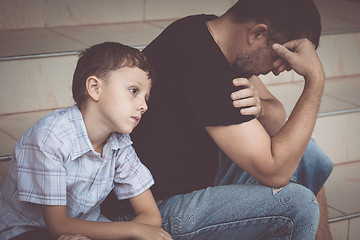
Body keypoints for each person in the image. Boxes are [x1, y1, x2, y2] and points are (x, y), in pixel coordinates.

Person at [101, 0, 335, 239]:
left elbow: (277, 117)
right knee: (296, 206)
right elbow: (275, 171)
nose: (278, 70)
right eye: (280, 59)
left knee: (306, 153)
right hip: (151, 213)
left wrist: (261, 109)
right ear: (258, 33)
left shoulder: (211, 33)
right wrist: (315, 82)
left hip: (196, 178)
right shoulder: (201, 65)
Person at [0, 42, 173, 240]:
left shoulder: (119, 144)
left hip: (86, 230)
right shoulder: (51, 138)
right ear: (94, 88)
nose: (143, 106)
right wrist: (134, 230)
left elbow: (151, 217)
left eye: (146, 97)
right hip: (26, 232)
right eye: (134, 91)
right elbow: (58, 226)